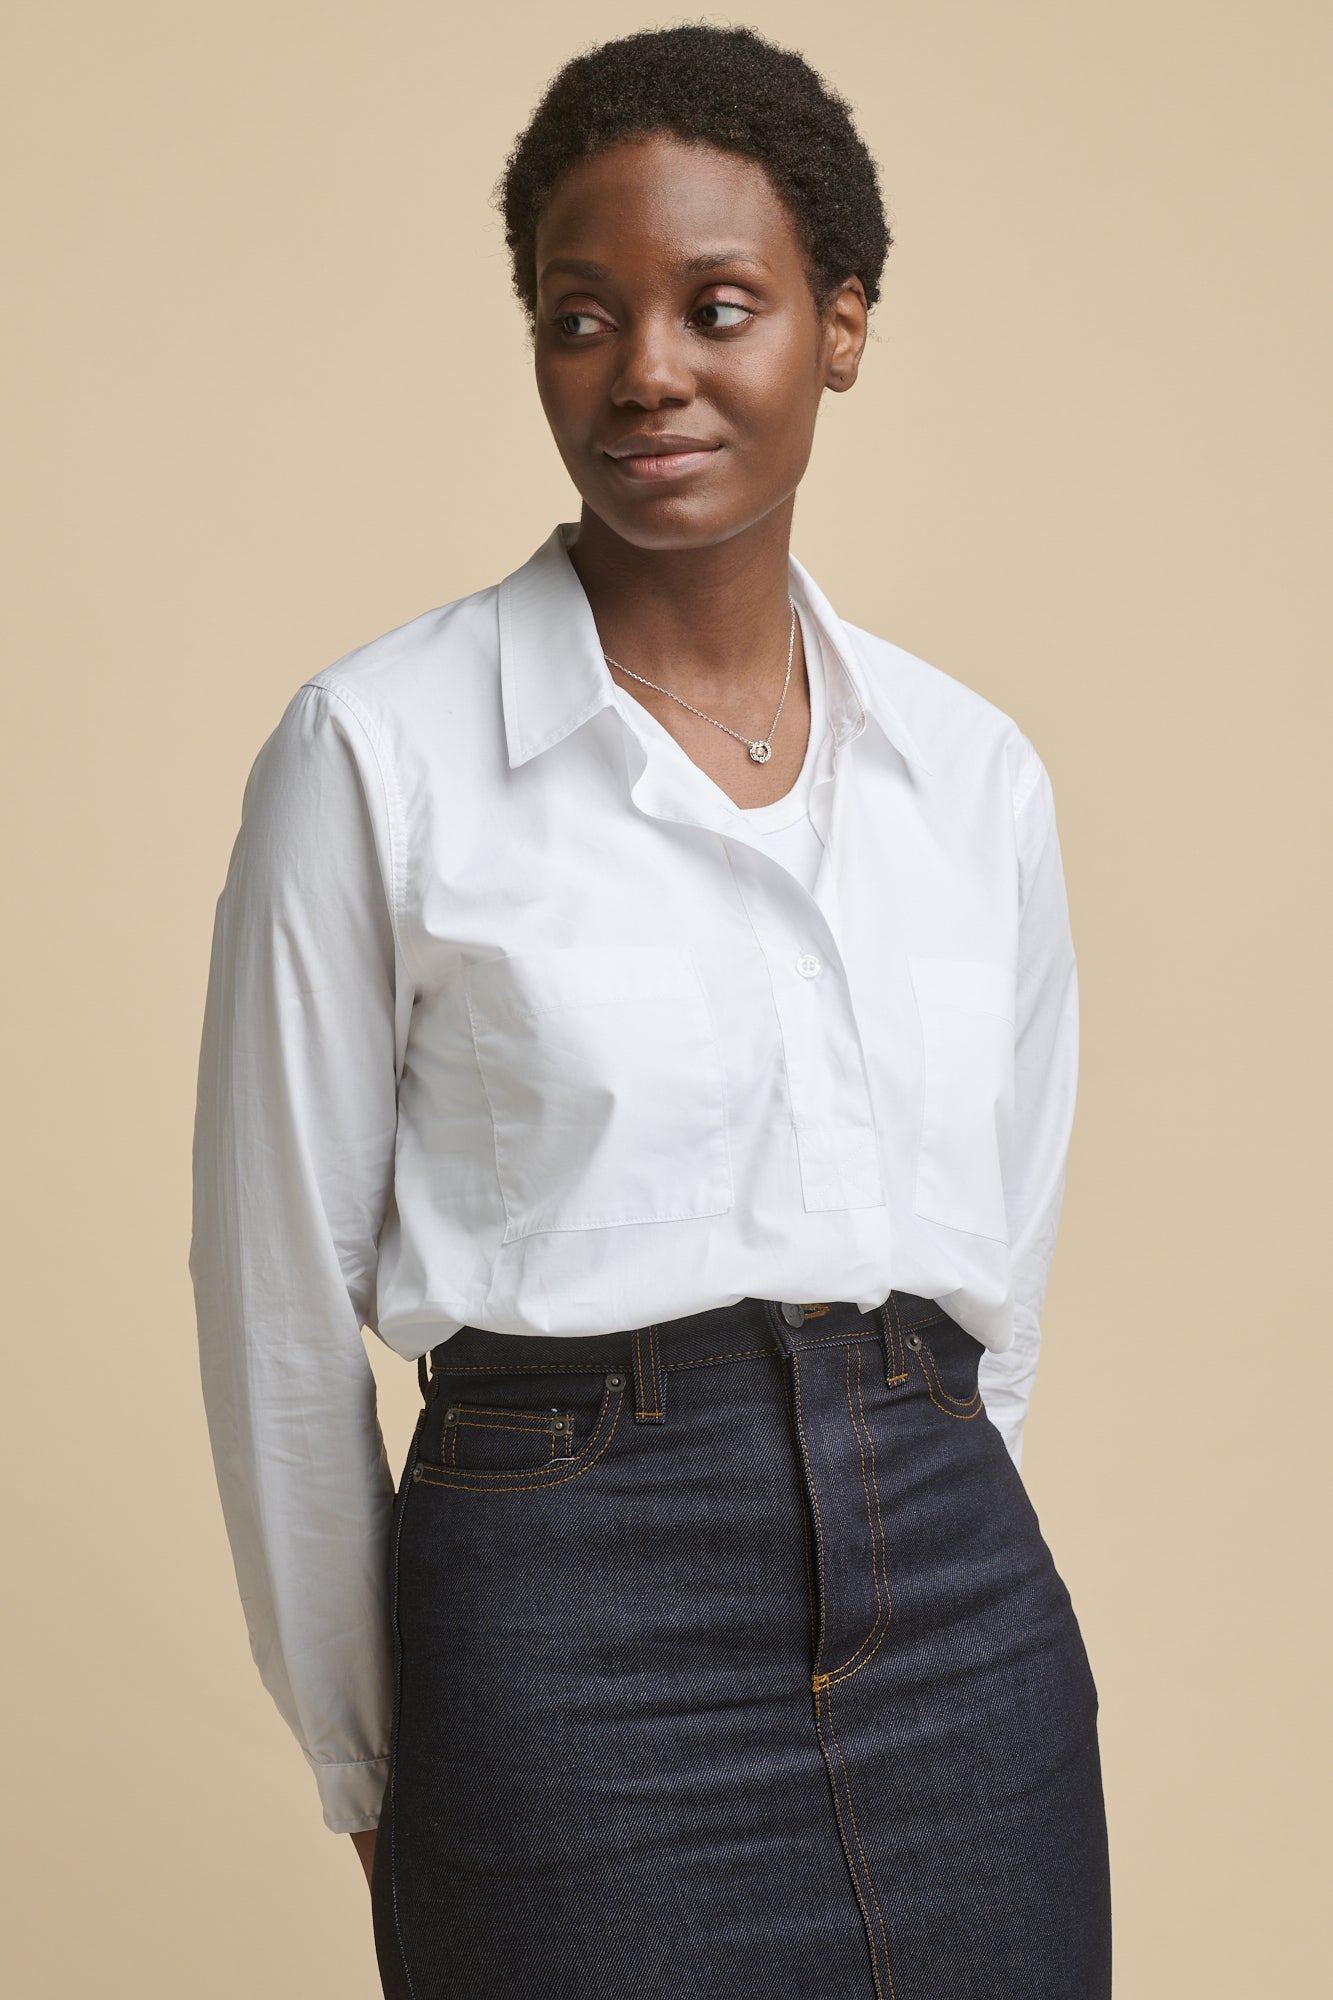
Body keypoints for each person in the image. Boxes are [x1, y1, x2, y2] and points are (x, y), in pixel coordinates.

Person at [189, 23, 1111, 1999]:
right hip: (565, 1628)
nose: (646, 372)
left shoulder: (975, 777)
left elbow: (997, 1265)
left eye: (718, 306)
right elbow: (273, 1310)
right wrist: (369, 1747)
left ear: (839, 325)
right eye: (579, 315)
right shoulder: (377, 752)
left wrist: (909, 1464)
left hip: (957, 1604)